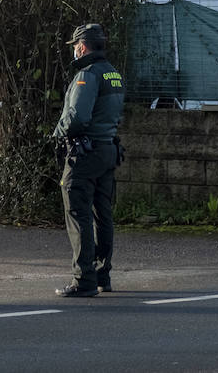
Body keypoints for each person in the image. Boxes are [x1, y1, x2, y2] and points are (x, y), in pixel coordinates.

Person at [52, 22, 125, 297]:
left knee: (78, 213)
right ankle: (102, 275)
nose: (74, 52)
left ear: (82, 46)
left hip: (85, 153)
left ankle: (84, 280)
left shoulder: (88, 75)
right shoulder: (113, 74)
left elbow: (78, 117)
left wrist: (58, 133)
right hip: (107, 150)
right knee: (102, 214)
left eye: (75, 47)